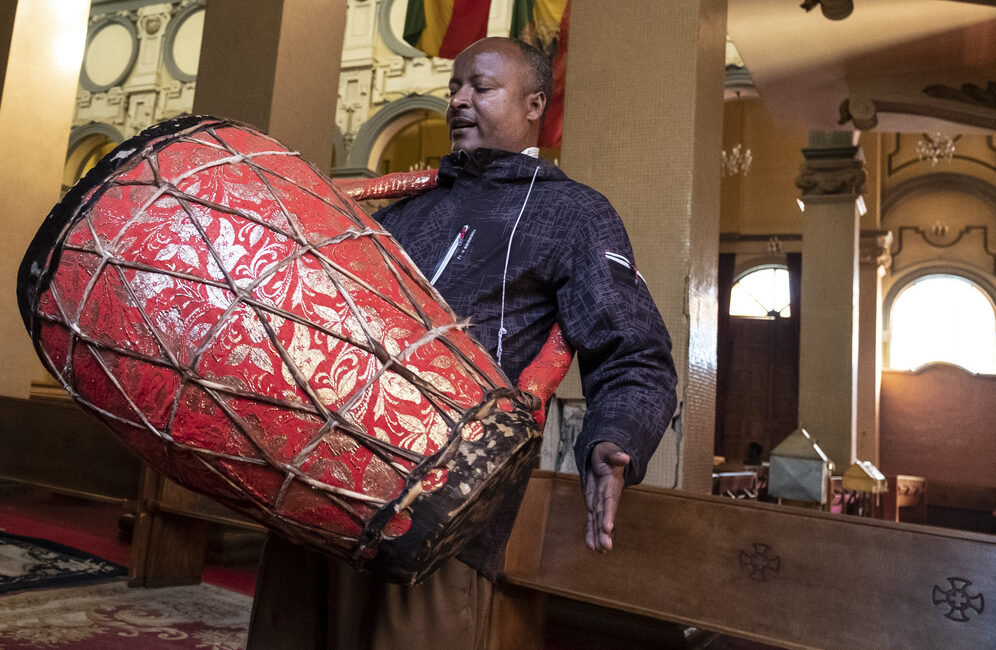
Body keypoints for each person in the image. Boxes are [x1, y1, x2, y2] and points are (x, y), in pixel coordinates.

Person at [246, 37, 677, 649]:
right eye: (454, 87)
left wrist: (616, 437)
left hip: (445, 512)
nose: (458, 100)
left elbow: (633, 350)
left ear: (534, 105)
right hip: (325, 481)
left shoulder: (574, 213)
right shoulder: (406, 211)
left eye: (481, 86)